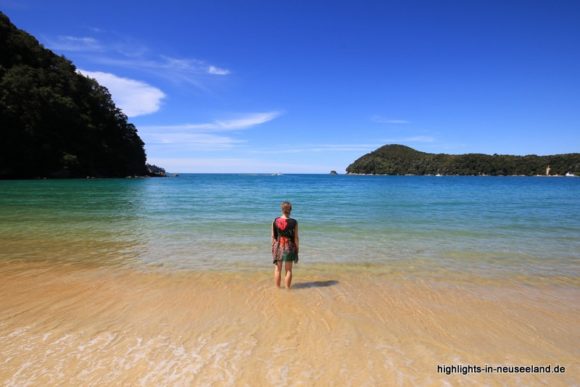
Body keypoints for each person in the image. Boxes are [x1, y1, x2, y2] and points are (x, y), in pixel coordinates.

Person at [271, 201, 299, 288]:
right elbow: (296, 238)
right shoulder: (294, 222)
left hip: (278, 246)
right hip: (289, 247)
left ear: (282, 209)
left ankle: (277, 289)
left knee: (278, 269)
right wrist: (297, 249)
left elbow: (273, 236)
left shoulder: (275, 220)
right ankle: (287, 289)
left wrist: (273, 247)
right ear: (290, 210)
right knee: (288, 270)